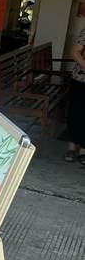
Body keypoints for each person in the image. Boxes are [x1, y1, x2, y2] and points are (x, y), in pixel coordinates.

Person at [58, 27, 85, 164]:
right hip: (81, 80)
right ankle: (71, 147)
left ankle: (83, 149)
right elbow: (75, 51)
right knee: (76, 112)